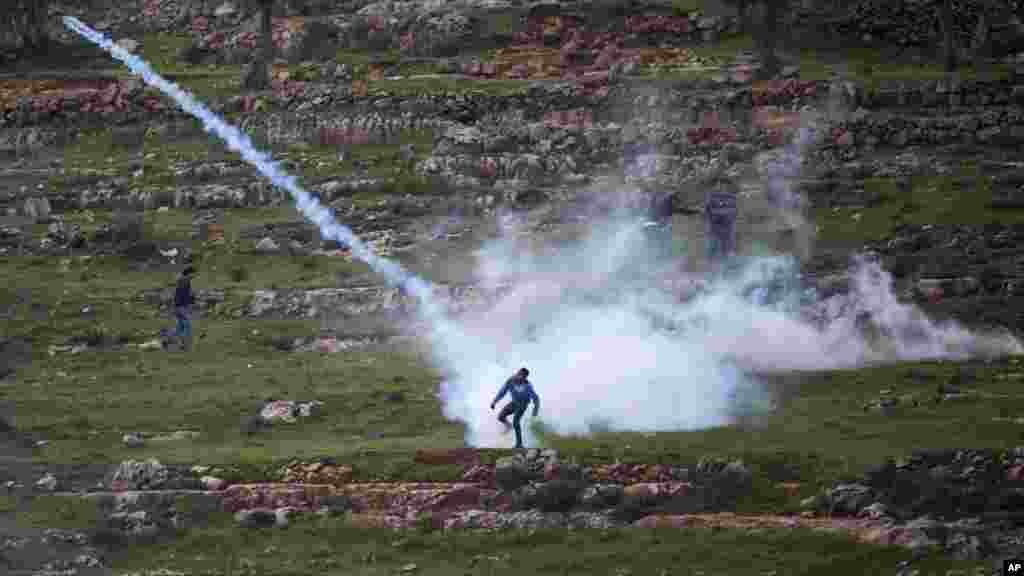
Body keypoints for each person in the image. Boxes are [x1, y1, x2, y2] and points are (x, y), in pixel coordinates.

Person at [490, 367, 540, 449]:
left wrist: (534, 413)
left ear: (525, 377)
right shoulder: (510, 381)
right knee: (500, 416)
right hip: (514, 403)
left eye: (522, 376)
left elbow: (536, 399)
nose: (519, 377)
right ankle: (508, 426)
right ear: (517, 373)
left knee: (516, 421)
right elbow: (502, 392)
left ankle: (519, 444)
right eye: (518, 374)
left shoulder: (528, 385)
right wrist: (494, 402)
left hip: (523, 404)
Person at [703, 177, 739, 271]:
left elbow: (735, 212)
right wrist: (718, 215)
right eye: (718, 184)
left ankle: (729, 271)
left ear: (726, 186)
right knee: (711, 251)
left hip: (727, 229)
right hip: (714, 228)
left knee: (727, 251)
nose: (721, 186)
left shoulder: (731, 197)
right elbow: (707, 212)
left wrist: (725, 215)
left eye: (723, 184)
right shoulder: (711, 197)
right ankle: (709, 271)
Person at [174, 266, 196, 351]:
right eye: (193, 274)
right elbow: (184, 295)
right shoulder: (185, 281)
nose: (194, 276)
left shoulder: (182, 281)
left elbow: (182, 294)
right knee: (187, 325)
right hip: (181, 307)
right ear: (189, 273)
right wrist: (191, 300)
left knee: (180, 326)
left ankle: (176, 343)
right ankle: (184, 345)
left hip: (178, 306)